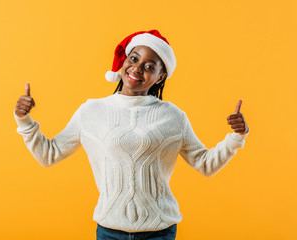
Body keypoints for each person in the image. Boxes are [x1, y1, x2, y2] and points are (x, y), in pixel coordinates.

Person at [14, 30, 249, 240]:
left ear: (160, 76)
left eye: (149, 66)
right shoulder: (91, 111)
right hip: (109, 230)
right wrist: (24, 120)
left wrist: (236, 137)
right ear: (124, 61)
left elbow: (205, 164)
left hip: (160, 230)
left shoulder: (173, 117)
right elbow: (49, 155)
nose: (137, 68)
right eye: (134, 59)